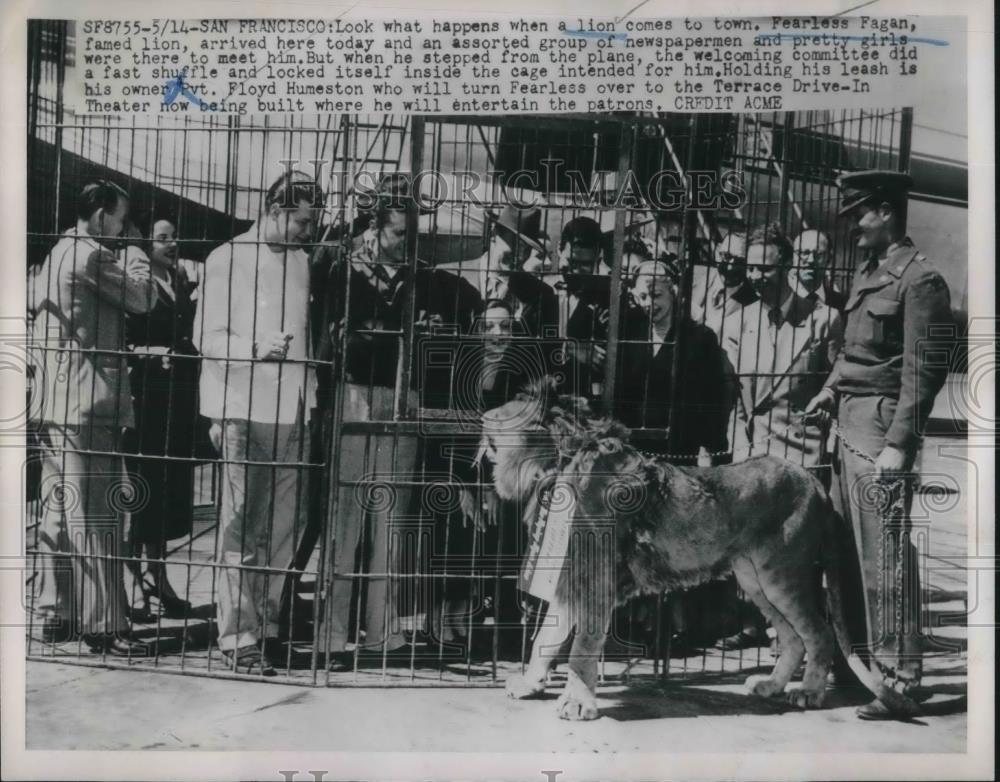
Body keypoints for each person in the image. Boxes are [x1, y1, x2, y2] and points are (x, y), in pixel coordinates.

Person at [313, 179, 480, 670]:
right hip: (354, 396)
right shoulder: (342, 267)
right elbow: (335, 331)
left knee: (391, 521)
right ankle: (331, 633)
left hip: (402, 397)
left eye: (413, 234)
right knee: (346, 519)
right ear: (374, 226)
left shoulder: (421, 277)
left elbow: (468, 302)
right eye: (400, 233)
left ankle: (381, 633)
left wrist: (425, 333)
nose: (409, 242)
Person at [805, 170, 953, 720]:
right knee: (845, 545)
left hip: (881, 428)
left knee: (884, 551)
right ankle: (858, 666)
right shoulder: (872, 273)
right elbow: (851, 353)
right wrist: (827, 389)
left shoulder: (921, 280)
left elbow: (923, 371)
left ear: (887, 211)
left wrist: (900, 444)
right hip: (848, 419)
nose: (853, 227)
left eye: (860, 215)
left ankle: (900, 677)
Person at [194, 171, 323, 675]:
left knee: (284, 527)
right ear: (274, 209)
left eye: (312, 222)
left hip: (292, 409)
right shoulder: (227, 258)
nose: (307, 230)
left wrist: (307, 401)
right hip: (242, 407)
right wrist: (254, 350)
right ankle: (237, 636)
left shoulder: (302, 263)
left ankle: (267, 629)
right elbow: (204, 336)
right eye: (301, 220)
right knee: (241, 526)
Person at [29, 180, 155, 655]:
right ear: (101, 213)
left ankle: (56, 612)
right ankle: (103, 626)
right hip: (89, 403)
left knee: (60, 508)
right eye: (121, 219)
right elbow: (142, 298)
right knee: (98, 516)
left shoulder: (57, 252)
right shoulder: (91, 255)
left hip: (57, 401)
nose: (123, 229)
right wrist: (138, 250)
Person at [613, 258, 735, 654]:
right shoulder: (626, 332)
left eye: (659, 293)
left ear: (675, 293)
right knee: (634, 538)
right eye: (644, 293)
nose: (651, 302)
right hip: (633, 454)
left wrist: (713, 455)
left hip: (679, 452)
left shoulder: (699, 339)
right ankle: (637, 621)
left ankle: (676, 626)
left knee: (672, 538)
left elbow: (713, 402)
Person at [122, 218, 200, 619]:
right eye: (163, 238)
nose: (172, 244)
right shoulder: (135, 279)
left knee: (168, 492)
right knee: (142, 490)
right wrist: (153, 352)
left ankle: (159, 576)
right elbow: (124, 339)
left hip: (176, 399)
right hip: (145, 398)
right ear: (145, 243)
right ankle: (132, 579)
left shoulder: (178, 278)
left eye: (175, 237)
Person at [690, 229, 758, 336]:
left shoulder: (752, 303)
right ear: (717, 252)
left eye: (740, 261)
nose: (730, 267)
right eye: (727, 256)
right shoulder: (695, 278)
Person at [792, 228, 848, 310]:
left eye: (818, 254)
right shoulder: (780, 298)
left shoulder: (842, 303)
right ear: (793, 257)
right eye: (804, 253)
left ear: (829, 259)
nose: (811, 260)